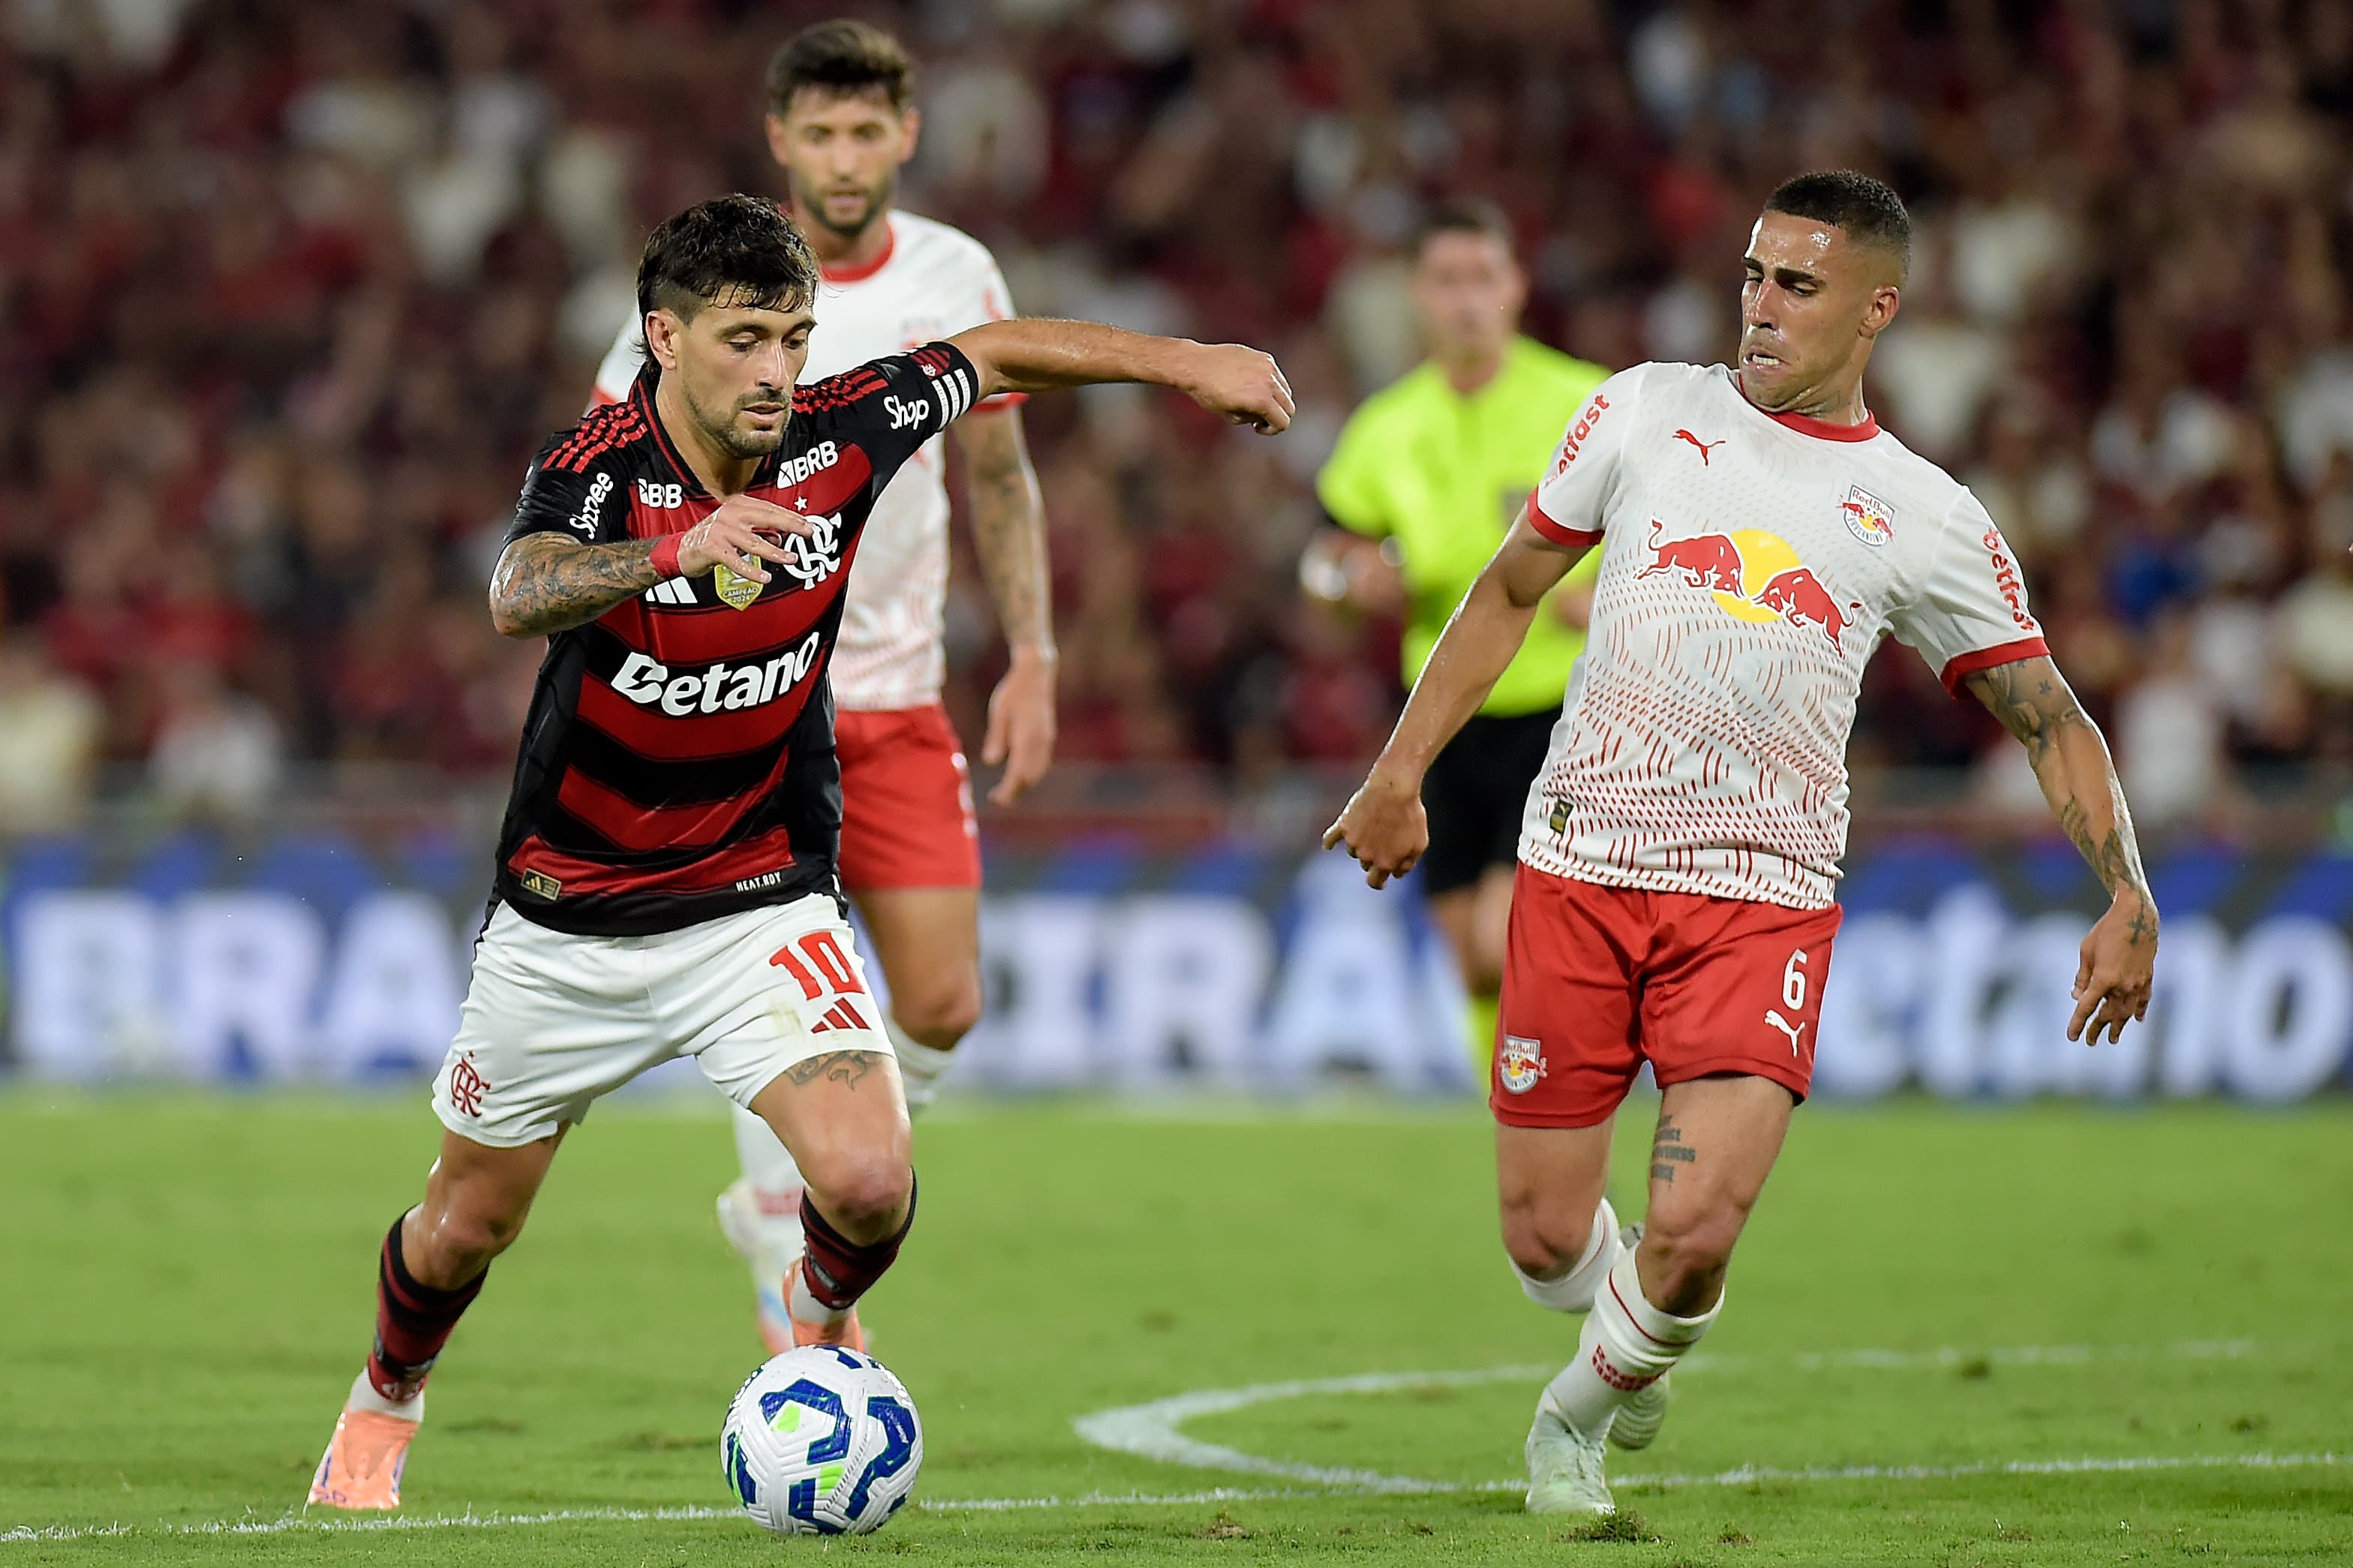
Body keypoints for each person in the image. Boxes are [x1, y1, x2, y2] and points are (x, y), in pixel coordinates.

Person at [308, 193, 1292, 1511]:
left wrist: (1192, 365)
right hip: (567, 918)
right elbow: (515, 590)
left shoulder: (842, 432)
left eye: (793, 335)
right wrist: (668, 551)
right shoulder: (601, 461)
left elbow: (992, 354)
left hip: (755, 896)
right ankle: (384, 1402)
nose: (777, 370)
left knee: (872, 1182)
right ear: (661, 336)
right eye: (742, 340)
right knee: (463, 1229)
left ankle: (815, 1324)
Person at [1323, 170, 2157, 1515]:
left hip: (1758, 903)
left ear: (1877, 309)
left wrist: (2128, 889)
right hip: (1581, 865)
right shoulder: (1645, 408)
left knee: (1698, 1233)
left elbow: (2047, 713)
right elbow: (1507, 590)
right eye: (1754, 276)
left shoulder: (1922, 512)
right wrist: (1398, 772)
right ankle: (1622, 1346)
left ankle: (1573, 1419)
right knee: (1545, 1239)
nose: (1760, 306)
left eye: (1798, 285)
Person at [590, 20, 1056, 1354]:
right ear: (780, 140)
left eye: (869, 132)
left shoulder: (958, 274)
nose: (846, 158)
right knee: (770, 981)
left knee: (946, 1004)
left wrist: (1035, 651)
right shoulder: (718, 281)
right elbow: (610, 452)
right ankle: (791, 1208)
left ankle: (783, 1197)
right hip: (746, 700)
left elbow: (1001, 479)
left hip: (900, 698)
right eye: (822, 133)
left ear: (905, 136)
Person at [1306, 201, 1608, 1074]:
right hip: (1437, 715)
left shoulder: (1584, 401)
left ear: (1515, 287)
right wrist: (1346, 583)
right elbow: (1326, 559)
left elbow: (1670, 536)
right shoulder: (1384, 428)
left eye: (1483, 277)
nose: (1466, 300)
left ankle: (1546, 1108)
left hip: (1562, 707)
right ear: (1416, 295)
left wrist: (1610, 594)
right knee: (1473, 958)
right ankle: (1512, 1103)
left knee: (1507, 935)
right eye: (1446, 281)